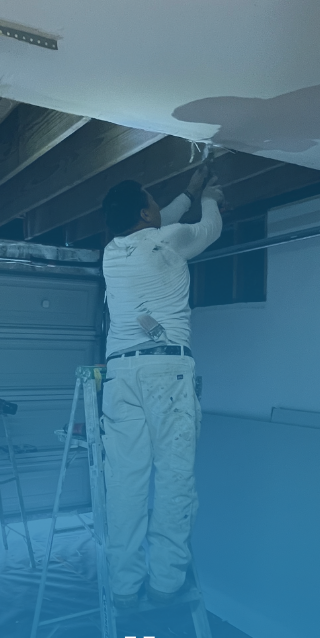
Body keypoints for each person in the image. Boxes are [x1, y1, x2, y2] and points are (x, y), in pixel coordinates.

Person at [99, 167, 224, 606]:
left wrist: (186, 191)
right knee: (172, 477)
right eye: (153, 201)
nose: (158, 207)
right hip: (165, 373)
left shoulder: (113, 252)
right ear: (144, 212)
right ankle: (166, 582)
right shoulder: (167, 241)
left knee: (127, 481)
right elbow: (209, 229)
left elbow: (157, 222)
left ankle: (123, 586)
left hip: (120, 376)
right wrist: (209, 197)